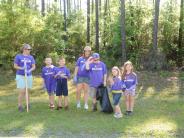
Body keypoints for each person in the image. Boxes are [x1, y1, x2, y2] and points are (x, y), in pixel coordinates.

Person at [14, 44, 36, 112]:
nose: (29, 50)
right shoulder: (18, 56)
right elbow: (15, 66)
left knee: (27, 91)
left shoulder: (31, 57)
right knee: (22, 91)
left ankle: (27, 104)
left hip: (29, 75)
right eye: (28, 49)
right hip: (20, 75)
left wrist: (29, 70)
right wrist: (22, 68)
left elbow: (33, 66)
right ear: (24, 49)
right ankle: (20, 106)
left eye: (30, 49)